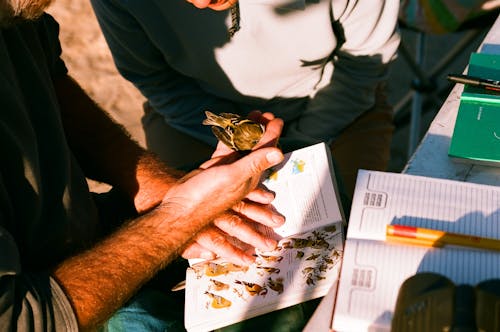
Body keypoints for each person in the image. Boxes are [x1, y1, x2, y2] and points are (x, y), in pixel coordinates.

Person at [0, 2, 287, 330]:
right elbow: (25, 318)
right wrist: (178, 218)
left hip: (84, 229)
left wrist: (159, 188)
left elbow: (48, 82)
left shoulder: (17, 8)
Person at [90, 0, 401, 198]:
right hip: (195, 116)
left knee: (343, 228)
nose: (199, 3)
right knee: (187, 246)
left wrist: (293, 147)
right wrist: (235, 138)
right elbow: (154, 78)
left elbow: (362, 67)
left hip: (336, 107)